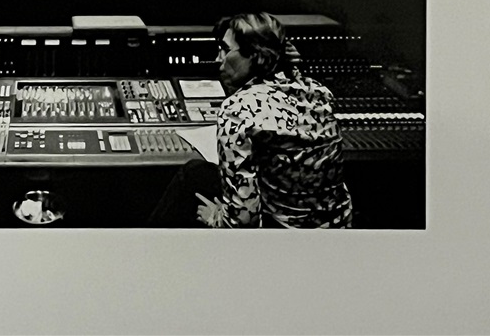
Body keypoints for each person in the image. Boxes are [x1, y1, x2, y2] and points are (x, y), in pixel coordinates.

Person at [151, 12, 354, 228]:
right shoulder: (320, 92)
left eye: (225, 49)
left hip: (285, 235)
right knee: (196, 172)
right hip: (337, 228)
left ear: (255, 56)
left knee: (190, 177)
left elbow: (243, 222)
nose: (218, 58)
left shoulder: (238, 110)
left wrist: (215, 217)